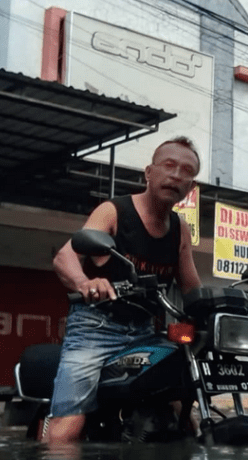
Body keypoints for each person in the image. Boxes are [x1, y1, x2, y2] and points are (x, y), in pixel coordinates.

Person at [46, 136, 202, 444]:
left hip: (146, 332)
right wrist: (85, 283)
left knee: (183, 410)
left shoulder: (180, 228)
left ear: (191, 187)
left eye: (187, 171)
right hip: (95, 328)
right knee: (68, 428)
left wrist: (223, 307)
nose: (176, 175)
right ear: (148, 172)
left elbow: (191, 287)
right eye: (169, 165)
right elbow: (65, 256)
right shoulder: (113, 211)